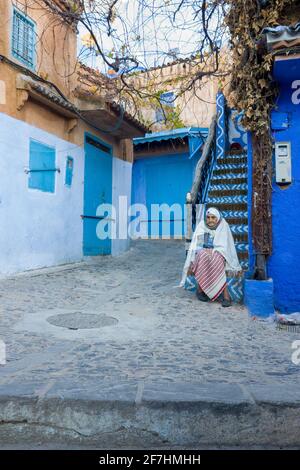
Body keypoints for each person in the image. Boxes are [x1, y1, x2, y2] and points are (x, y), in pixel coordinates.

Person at [182, 207, 241, 307]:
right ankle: (200, 290)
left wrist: (213, 251)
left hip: (219, 251)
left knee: (217, 259)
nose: (210, 220)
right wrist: (204, 250)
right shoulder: (202, 225)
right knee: (202, 256)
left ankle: (225, 295)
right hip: (204, 250)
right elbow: (197, 244)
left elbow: (225, 246)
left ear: (217, 218)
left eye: (213, 217)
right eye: (208, 217)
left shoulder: (223, 225)